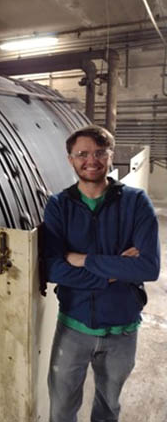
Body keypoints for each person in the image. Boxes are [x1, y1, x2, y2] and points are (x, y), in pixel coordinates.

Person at [42, 125, 160, 422]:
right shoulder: (59, 205)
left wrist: (83, 259)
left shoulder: (135, 202)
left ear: (110, 156)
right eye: (81, 154)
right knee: (61, 407)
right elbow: (53, 267)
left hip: (122, 328)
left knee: (108, 408)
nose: (90, 160)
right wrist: (113, 271)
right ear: (70, 159)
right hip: (74, 325)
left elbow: (148, 267)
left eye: (98, 153)